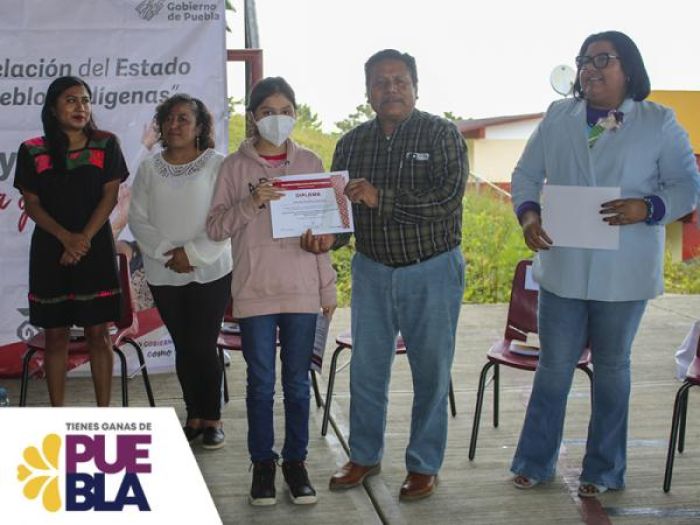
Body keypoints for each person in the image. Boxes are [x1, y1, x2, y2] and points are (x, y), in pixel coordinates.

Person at [510, 30, 700, 497]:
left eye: (602, 59)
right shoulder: (559, 115)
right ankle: (534, 462)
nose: (589, 68)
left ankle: (604, 470)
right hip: (563, 266)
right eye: (583, 60)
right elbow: (526, 174)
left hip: (624, 272)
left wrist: (649, 208)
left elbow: (686, 187)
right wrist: (528, 215)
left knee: (613, 369)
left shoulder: (658, 121)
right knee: (554, 367)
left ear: (627, 67)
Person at [303, 49, 468, 501]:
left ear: (415, 86)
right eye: (380, 82)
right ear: (367, 92)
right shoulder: (352, 143)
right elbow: (343, 215)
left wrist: (383, 199)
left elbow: (447, 201)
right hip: (372, 270)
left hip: (431, 270)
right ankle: (364, 455)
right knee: (368, 370)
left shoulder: (442, 134)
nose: (390, 89)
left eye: (399, 80)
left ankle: (423, 465)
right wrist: (327, 239)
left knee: (431, 372)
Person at [207, 77, 337, 506]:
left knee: (298, 385)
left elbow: (324, 233)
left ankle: (295, 463)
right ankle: (262, 464)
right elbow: (215, 227)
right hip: (254, 291)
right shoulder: (234, 167)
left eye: (284, 110)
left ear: (295, 115)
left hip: (301, 292)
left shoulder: (311, 162)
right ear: (252, 117)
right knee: (261, 385)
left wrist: (327, 285)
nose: (276, 119)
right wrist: (251, 203)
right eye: (267, 111)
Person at [13, 76, 128, 406]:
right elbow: (32, 204)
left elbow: (110, 196)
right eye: (71, 100)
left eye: (85, 100)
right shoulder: (32, 150)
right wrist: (66, 239)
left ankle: (104, 414)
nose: (81, 107)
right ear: (52, 108)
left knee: (98, 335)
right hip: (51, 249)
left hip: (95, 247)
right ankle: (57, 415)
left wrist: (82, 240)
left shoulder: (106, 144)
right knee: (56, 335)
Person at [128, 94, 232, 449]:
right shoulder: (148, 168)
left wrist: (193, 254)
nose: (174, 125)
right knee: (184, 346)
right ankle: (194, 415)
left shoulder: (218, 164)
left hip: (211, 269)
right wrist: (166, 254)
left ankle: (213, 417)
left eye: (183, 119)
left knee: (203, 345)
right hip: (163, 271)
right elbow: (137, 218)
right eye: (169, 119)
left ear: (200, 126)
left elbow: (227, 218)